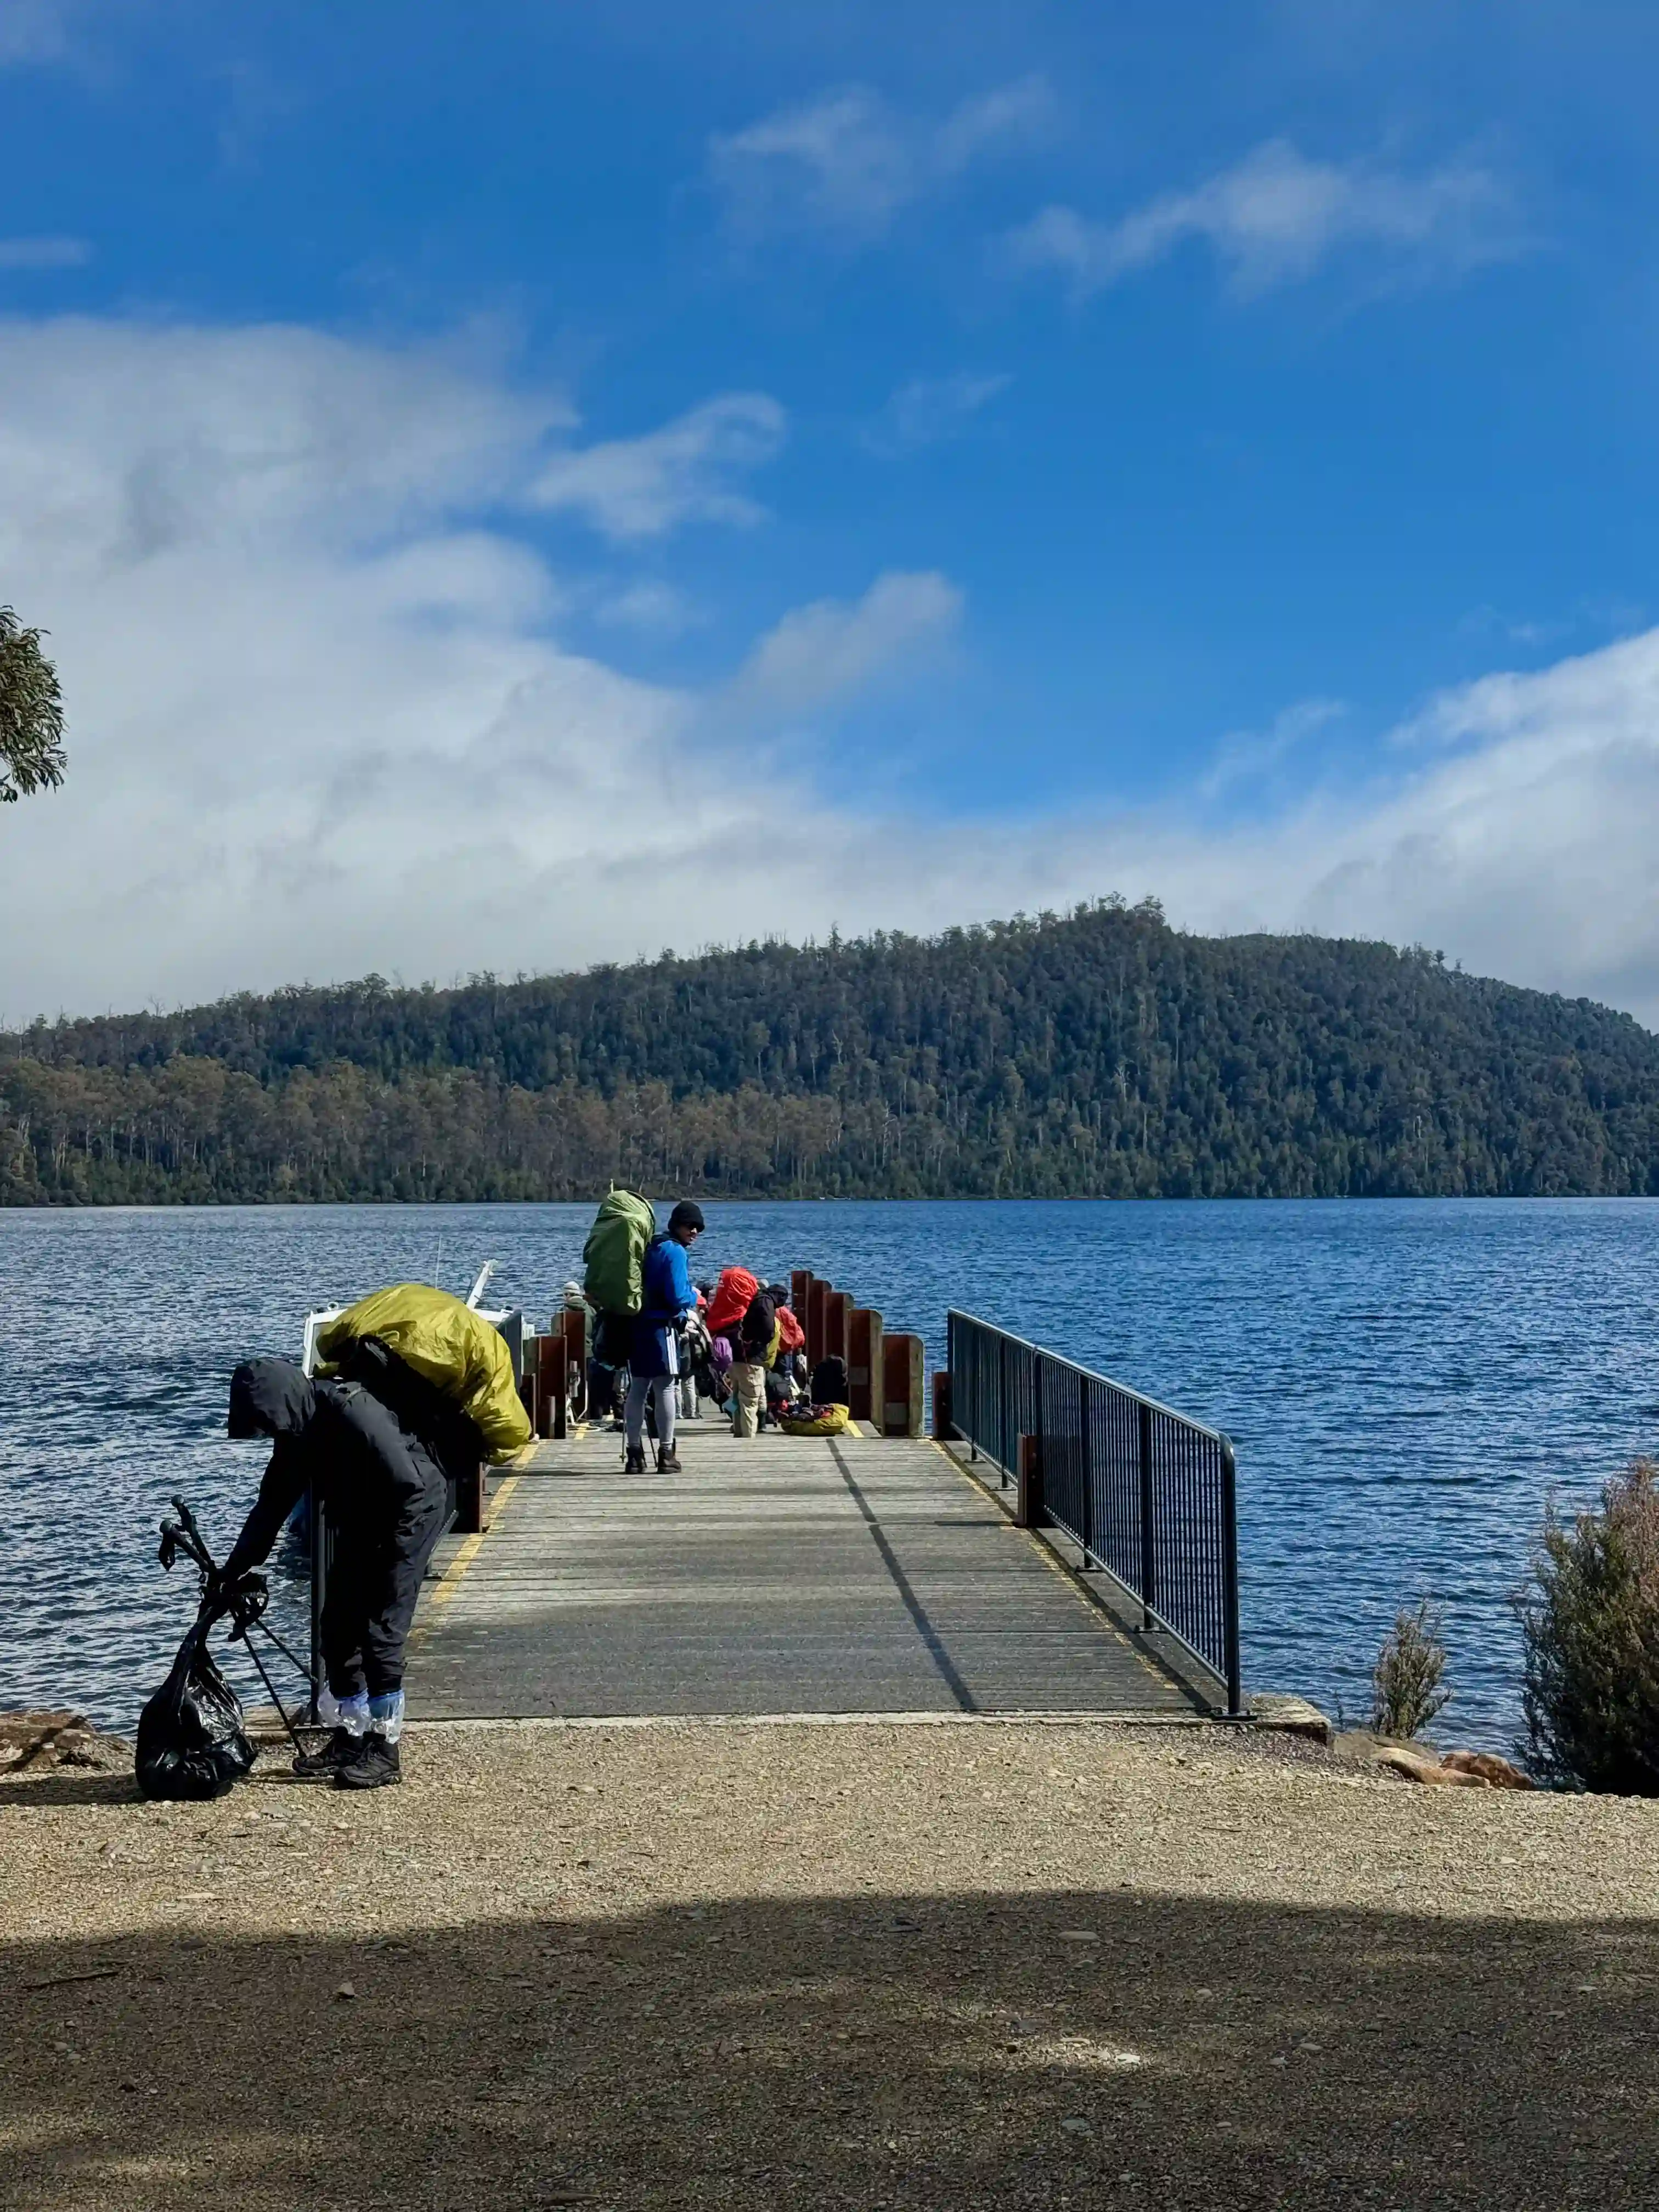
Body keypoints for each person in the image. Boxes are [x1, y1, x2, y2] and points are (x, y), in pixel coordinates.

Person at [216, 1355, 454, 1790]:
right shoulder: (297, 1431)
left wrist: (390, 1564)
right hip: (366, 1516)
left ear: (283, 1402)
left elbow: (407, 1484)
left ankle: (385, 1751)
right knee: (338, 1627)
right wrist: (230, 1571)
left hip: (409, 1512)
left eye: (268, 1422)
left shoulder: (352, 1412)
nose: (270, 1432)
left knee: (380, 1628)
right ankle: (352, 1735)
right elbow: (270, 1508)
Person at [624, 1200, 703, 1473]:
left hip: (636, 1326)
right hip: (662, 1328)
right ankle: (666, 1454)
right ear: (677, 1226)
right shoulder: (676, 1252)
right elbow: (678, 1296)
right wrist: (695, 1295)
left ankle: (634, 1454)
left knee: (637, 1390)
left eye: (698, 1228)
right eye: (690, 1226)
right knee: (665, 1388)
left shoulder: (650, 1247)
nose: (694, 1231)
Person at [727, 1280, 776, 1439]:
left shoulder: (743, 1305)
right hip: (752, 1360)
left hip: (735, 1358)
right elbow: (769, 1331)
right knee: (750, 1402)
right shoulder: (763, 1302)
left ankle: (739, 1432)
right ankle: (747, 1439)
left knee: (738, 1398)